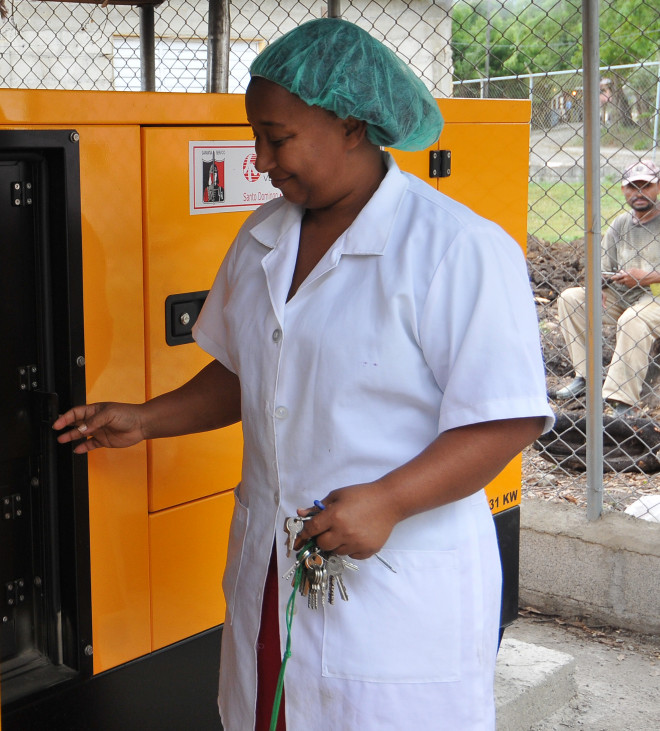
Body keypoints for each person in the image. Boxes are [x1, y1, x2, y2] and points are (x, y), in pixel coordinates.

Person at [52, 18, 551, 731]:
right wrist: (145, 417)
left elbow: (505, 416)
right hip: (274, 567)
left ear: (351, 125)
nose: (259, 160)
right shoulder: (263, 237)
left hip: (393, 581)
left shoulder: (456, 248)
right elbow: (247, 368)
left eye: (276, 137)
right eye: (255, 136)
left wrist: (388, 501)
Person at [550, 160, 660, 417]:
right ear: (623, 190)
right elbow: (603, 266)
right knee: (571, 298)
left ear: (658, 187)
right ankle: (586, 377)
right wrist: (598, 284)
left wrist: (647, 277)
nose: (639, 193)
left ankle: (622, 400)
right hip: (623, 295)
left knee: (633, 319)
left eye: (646, 186)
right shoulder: (620, 224)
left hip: (654, 297)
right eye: (632, 187)